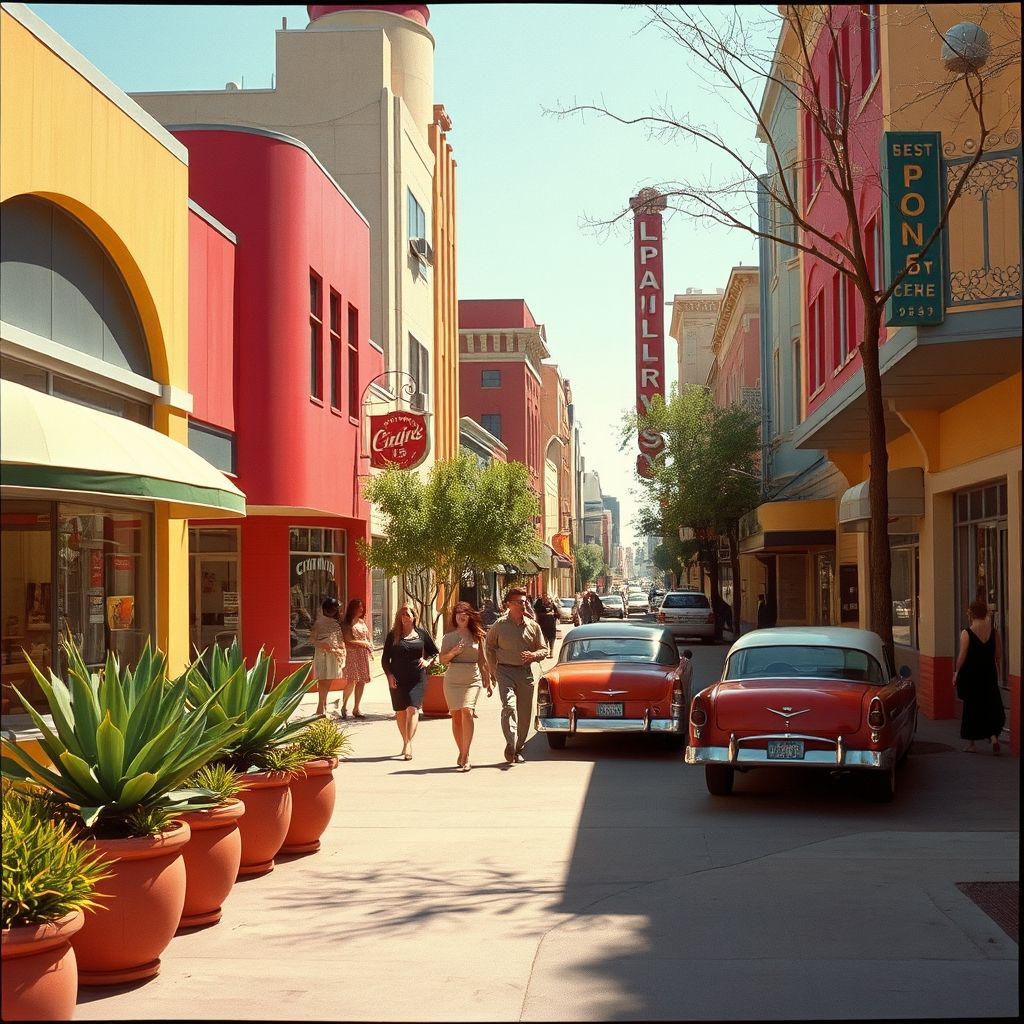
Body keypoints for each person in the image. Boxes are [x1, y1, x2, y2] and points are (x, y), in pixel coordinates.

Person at [484, 586, 548, 765]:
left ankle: (518, 747)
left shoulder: (533, 626)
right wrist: (492, 669)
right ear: (508, 605)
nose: (523, 605)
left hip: (525, 673)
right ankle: (510, 743)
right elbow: (489, 646)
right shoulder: (500, 625)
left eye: (524, 601)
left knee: (525, 714)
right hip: (504, 671)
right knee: (509, 707)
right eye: (519, 602)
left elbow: (544, 649)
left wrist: (533, 655)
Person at [439, 602, 493, 771]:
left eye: (464, 613)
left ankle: (466, 754)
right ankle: (461, 752)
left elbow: (482, 660)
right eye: (458, 613)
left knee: (467, 711)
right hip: (453, 678)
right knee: (456, 717)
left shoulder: (478, 636)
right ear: (454, 617)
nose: (461, 616)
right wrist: (453, 652)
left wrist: (488, 680)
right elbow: (442, 660)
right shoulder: (448, 637)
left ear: (470, 616)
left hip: (472, 678)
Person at [381, 604, 439, 761]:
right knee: (400, 711)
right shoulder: (393, 635)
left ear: (414, 616)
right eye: (402, 614)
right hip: (398, 678)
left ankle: (409, 744)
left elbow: (434, 651)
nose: (404, 617)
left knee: (413, 709)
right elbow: (385, 659)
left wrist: (428, 662)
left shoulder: (421, 634)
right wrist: (389, 676)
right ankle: (405, 741)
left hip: (417, 677)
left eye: (407, 614)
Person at [952, 598, 1005, 754]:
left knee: (972, 707)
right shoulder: (994, 632)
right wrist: (998, 671)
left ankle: (972, 744)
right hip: (989, 672)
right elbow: (998, 654)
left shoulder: (966, 633)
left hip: (972, 674)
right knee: (991, 704)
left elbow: (962, 655)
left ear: (971, 614)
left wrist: (956, 672)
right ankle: (994, 736)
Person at [309, 596, 345, 718]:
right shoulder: (319, 623)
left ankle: (322, 706)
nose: (335, 611)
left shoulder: (336, 624)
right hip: (322, 653)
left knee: (328, 679)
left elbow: (339, 640)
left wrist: (340, 650)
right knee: (322, 679)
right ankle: (321, 706)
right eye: (334, 609)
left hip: (333, 653)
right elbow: (312, 639)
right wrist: (324, 645)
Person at [340, 598, 373, 719]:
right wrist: (363, 643)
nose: (361, 609)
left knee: (362, 681)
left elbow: (368, 637)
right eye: (358, 607)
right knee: (351, 680)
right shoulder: (346, 623)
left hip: (363, 654)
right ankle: (344, 706)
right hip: (353, 654)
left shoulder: (362, 622)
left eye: (362, 607)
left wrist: (370, 646)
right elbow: (347, 640)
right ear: (352, 609)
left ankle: (356, 708)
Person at [533, 593, 558, 658]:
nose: (546, 599)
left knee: (552, 638)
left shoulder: (552, 604)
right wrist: (546, 615)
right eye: (545, 598)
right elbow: (537, 613)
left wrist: (554, 614)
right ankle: (545, 651)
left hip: (551, 624)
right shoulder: (539, 604)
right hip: (542, 624)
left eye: (548, 598)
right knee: (544, 638)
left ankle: (551, 651)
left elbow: (557, 614)